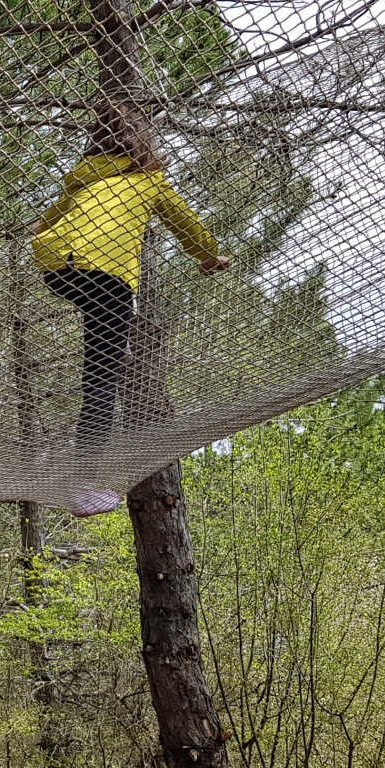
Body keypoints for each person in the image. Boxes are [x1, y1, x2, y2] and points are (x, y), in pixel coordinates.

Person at [31, 102, 231, 516]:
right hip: (108, 274)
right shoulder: (148, 179)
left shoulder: (82, 176)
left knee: (101, 332)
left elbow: (45, 223)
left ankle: (111, 344)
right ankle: (82, 483)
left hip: (56, 266)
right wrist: (208, 256)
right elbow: (184, 220)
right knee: (102, 381)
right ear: (143, 143)